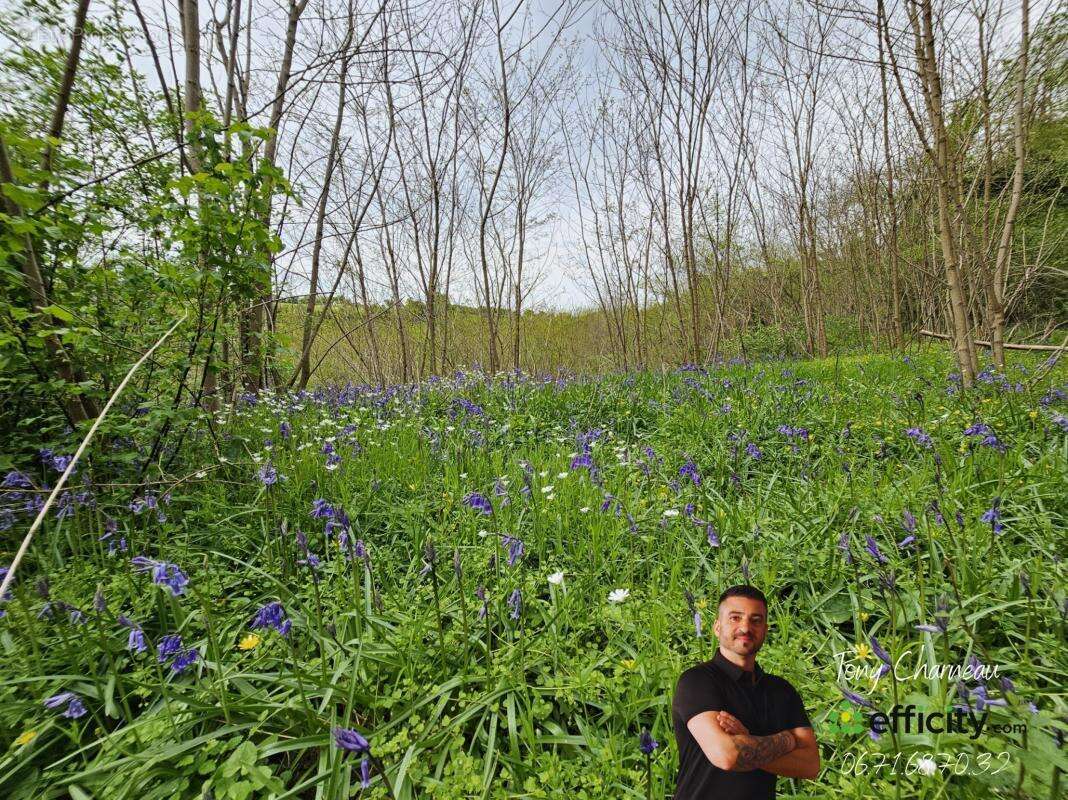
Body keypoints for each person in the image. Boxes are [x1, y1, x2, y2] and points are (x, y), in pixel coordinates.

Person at [671, 585, 819, 799]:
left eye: (755, 620)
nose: (745, 627)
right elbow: (726, 756)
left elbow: (810, 765)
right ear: (717, 627)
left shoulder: (782, 691)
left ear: (765, 630)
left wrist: (747, 740)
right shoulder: (697, 681)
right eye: (735, 618)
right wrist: (787, 740)